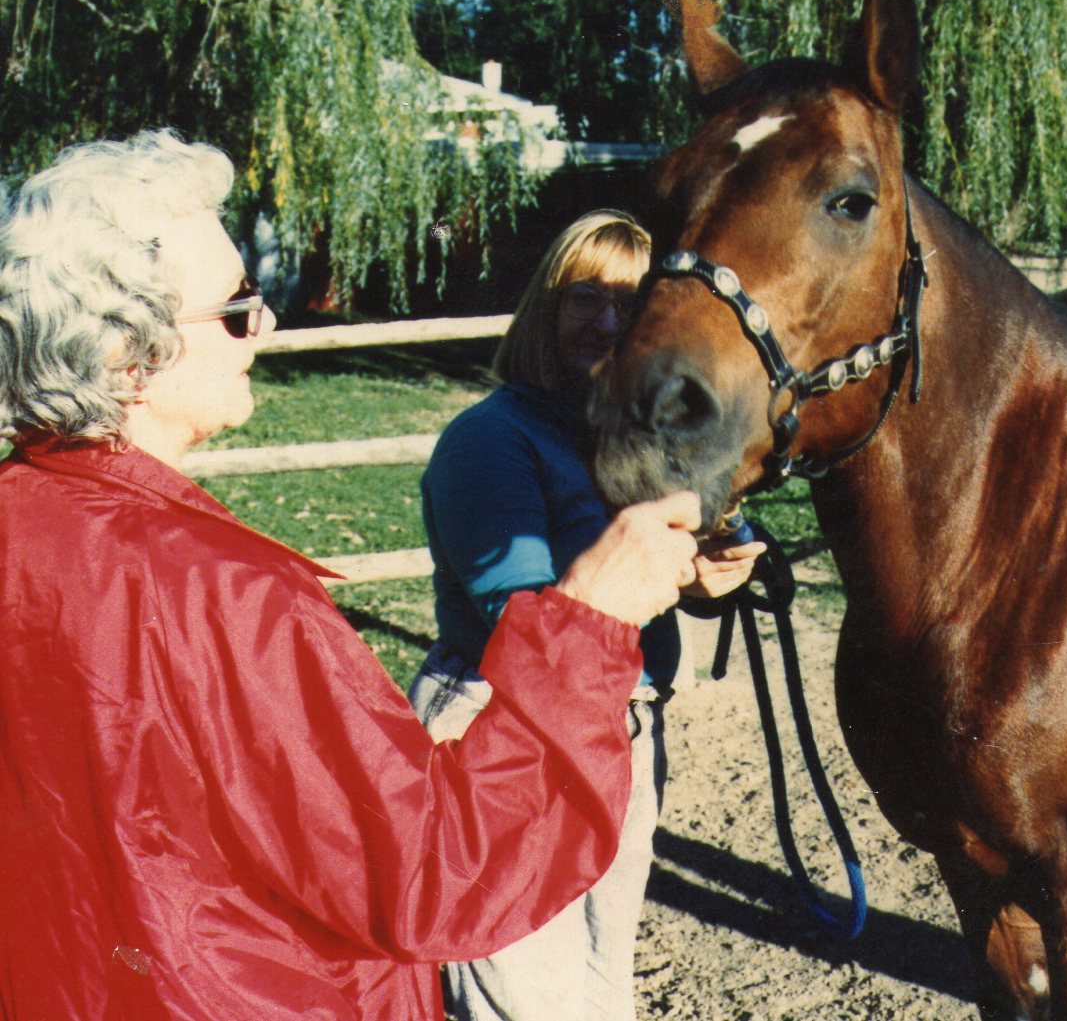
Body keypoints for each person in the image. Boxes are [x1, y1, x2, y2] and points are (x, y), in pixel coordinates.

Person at [0, 131, 705, 1020]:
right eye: (233, 308)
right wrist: (594, 620)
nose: (264, 326)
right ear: (126, 354)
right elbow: (439, 871)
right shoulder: (230, 595)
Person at [409, 210, 764, 1020]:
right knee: (520, 987)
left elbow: (633, 592)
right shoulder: (488, 440)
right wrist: (668, 575)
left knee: (603, 981)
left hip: (620, 724)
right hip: (504, 728)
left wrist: (703, 576)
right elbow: (520, 619)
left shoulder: (626, 440)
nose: (607, 319)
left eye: (629, 302)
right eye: (583, 297)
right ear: (545, 307)